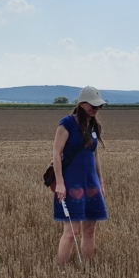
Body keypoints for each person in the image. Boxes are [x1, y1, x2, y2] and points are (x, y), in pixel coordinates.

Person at [52, 86, 108, 267]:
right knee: (72, 232)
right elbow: (56, 154)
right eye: (93, 105)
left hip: (90, 182)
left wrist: (101, 181)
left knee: (90, 230)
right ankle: (61, 271)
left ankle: (87, 268)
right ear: (82, 104)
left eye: (99, 106)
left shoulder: (94, 126)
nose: (96, 109)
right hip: (71, 182)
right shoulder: (67, 123)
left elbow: (95, 154)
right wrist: (60, 183)